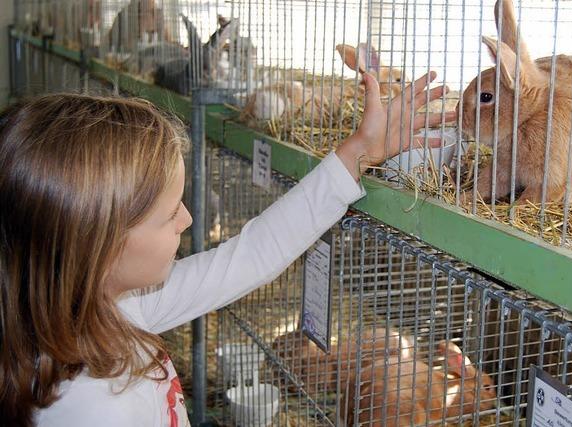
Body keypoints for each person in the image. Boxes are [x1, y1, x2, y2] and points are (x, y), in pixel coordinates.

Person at [0, 71, 454, 426]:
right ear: (97, 244)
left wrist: (357, 152)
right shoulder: (92, 410)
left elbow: (252, 253)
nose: (188, 218)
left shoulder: (110, 308)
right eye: (167, 214)